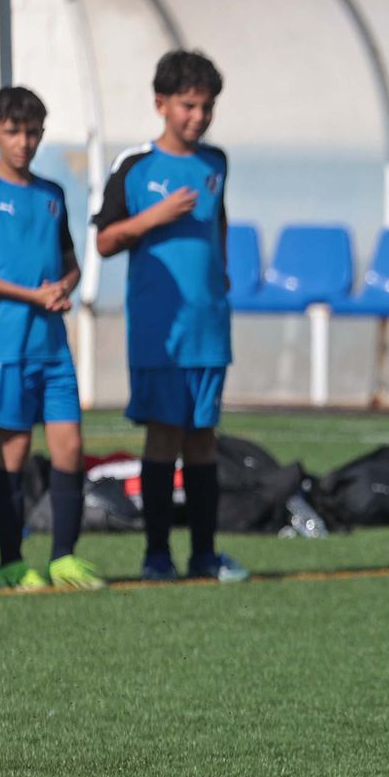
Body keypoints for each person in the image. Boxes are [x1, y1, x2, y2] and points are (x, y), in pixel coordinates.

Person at [92, 49, 246, 583]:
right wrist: (153, 217)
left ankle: (204, 555)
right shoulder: (135, 167)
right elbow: (106, 240)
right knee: (163, 437)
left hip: (209, 328)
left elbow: (217, 222)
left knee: (203, 439)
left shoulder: (217, 163)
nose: (198, 117)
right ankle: (157, 556)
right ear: (161, 104)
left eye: (206, 107)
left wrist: (220, 274)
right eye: (188, 106)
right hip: (160, 330)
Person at [0, 87, 104, 591]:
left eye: (33, 131)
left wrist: (65, 286)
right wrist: (28, 296)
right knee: (13, 451)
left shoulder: (53, 195)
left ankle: (64, 558)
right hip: (6, 346)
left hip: (53, 346)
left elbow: (71, 262)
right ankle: (12, 562)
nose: (24, 142)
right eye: (13, 131)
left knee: (70, 448)